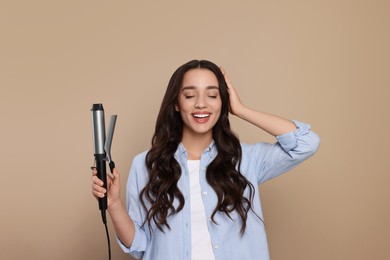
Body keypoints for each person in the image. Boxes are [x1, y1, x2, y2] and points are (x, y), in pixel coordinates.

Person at [91, 59, 320, 260]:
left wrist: (241, 109)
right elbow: (139, 247)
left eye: (212, 95)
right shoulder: (145, 165)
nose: (201, 104)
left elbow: (306, 143)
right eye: (190, 95)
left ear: (223, 103)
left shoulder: (245, 159)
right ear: (176, 104)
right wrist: (114, 206)